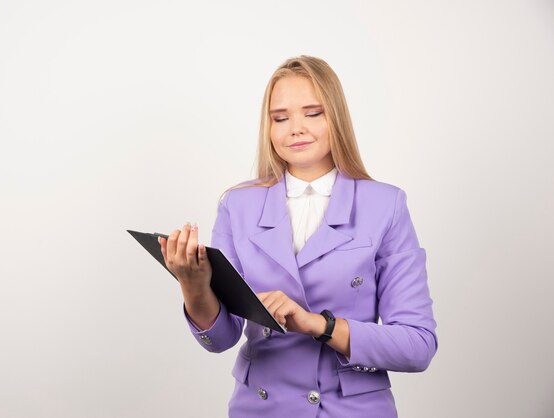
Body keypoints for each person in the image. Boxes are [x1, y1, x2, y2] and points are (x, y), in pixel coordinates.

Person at [157, 56, 437, 418]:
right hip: (260, 409)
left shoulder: (386, 204)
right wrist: (193, 285)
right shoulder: (237, 205)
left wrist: (317, 324)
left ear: (336, 117)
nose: (295, 128)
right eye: (280, 118)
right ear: (268, 128)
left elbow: (418, 345)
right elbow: (222, 338)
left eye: (313, 113)